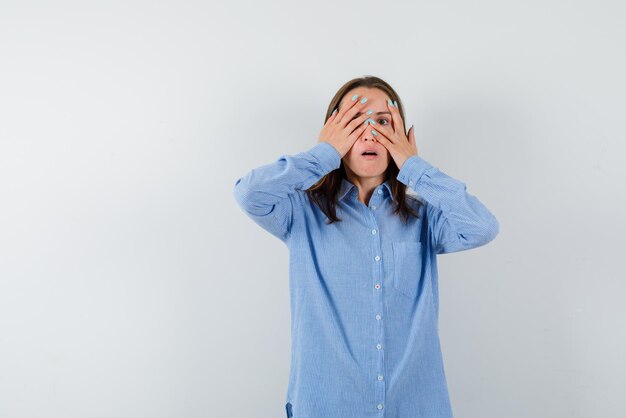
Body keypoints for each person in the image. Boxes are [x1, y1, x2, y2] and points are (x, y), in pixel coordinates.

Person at [232, 76, 499, 418]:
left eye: (383, 122)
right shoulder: (299, 213)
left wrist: (414, 166)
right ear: (334, 130)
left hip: (416, 407)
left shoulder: (425, 218)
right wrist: (322, 154)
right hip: (325, 407)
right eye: (355, 121)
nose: (370, 133)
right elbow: (248, 194)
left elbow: (483, 227)